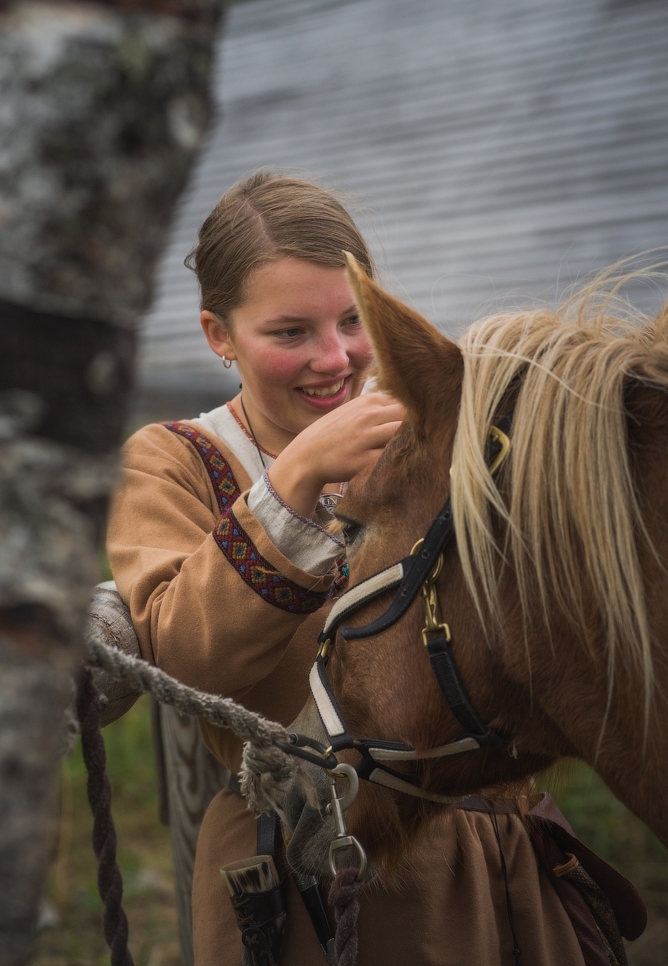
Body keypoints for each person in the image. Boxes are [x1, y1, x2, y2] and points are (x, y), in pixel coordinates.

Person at [107, 172, 629, 966]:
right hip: (314, 868)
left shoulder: (427, 418)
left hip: (501, 846)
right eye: (289, 332)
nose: (336, 357)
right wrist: (293, 481)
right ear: (219, 335)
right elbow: (184, 656)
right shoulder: (171, 463)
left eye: (353, 320)